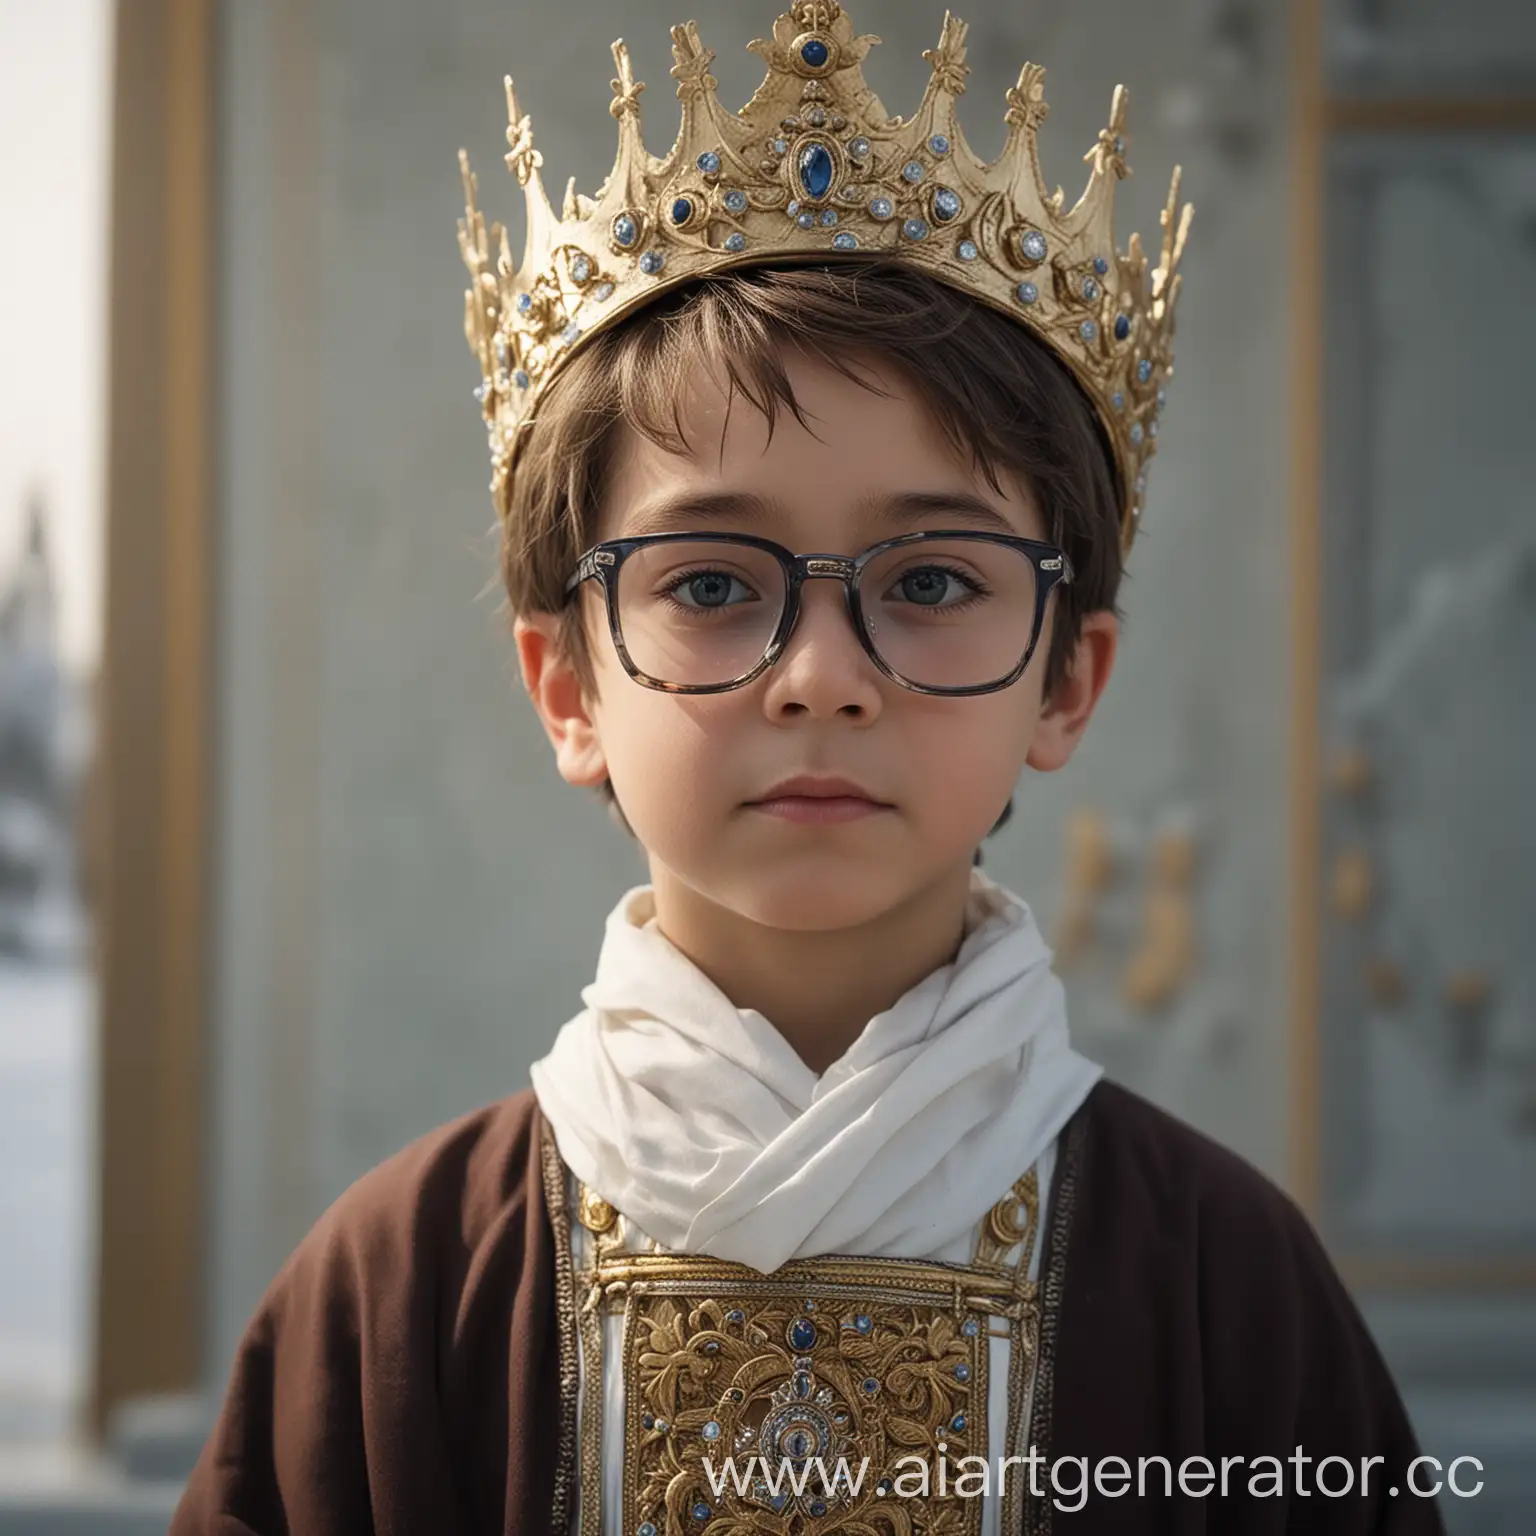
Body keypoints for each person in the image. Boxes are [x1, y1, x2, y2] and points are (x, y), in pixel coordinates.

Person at [171, 4, 1443, 1532]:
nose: (824, 678)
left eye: (929, 582)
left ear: (1065, 678)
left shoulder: (1219, 1286)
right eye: (713, 585)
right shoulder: (403, 1293)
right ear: (566, 682)